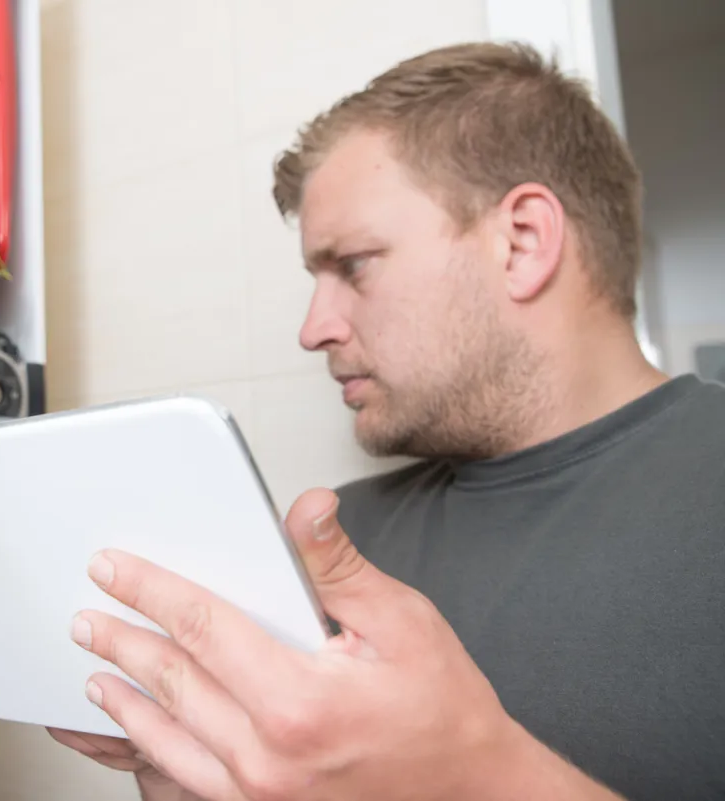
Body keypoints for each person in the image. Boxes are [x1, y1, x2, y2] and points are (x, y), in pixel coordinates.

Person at [45, 40, 725, 801]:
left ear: (522, 242)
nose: (313, 328)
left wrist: (480, 772)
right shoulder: (338, 541)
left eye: (354, 264)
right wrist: (184, 760)